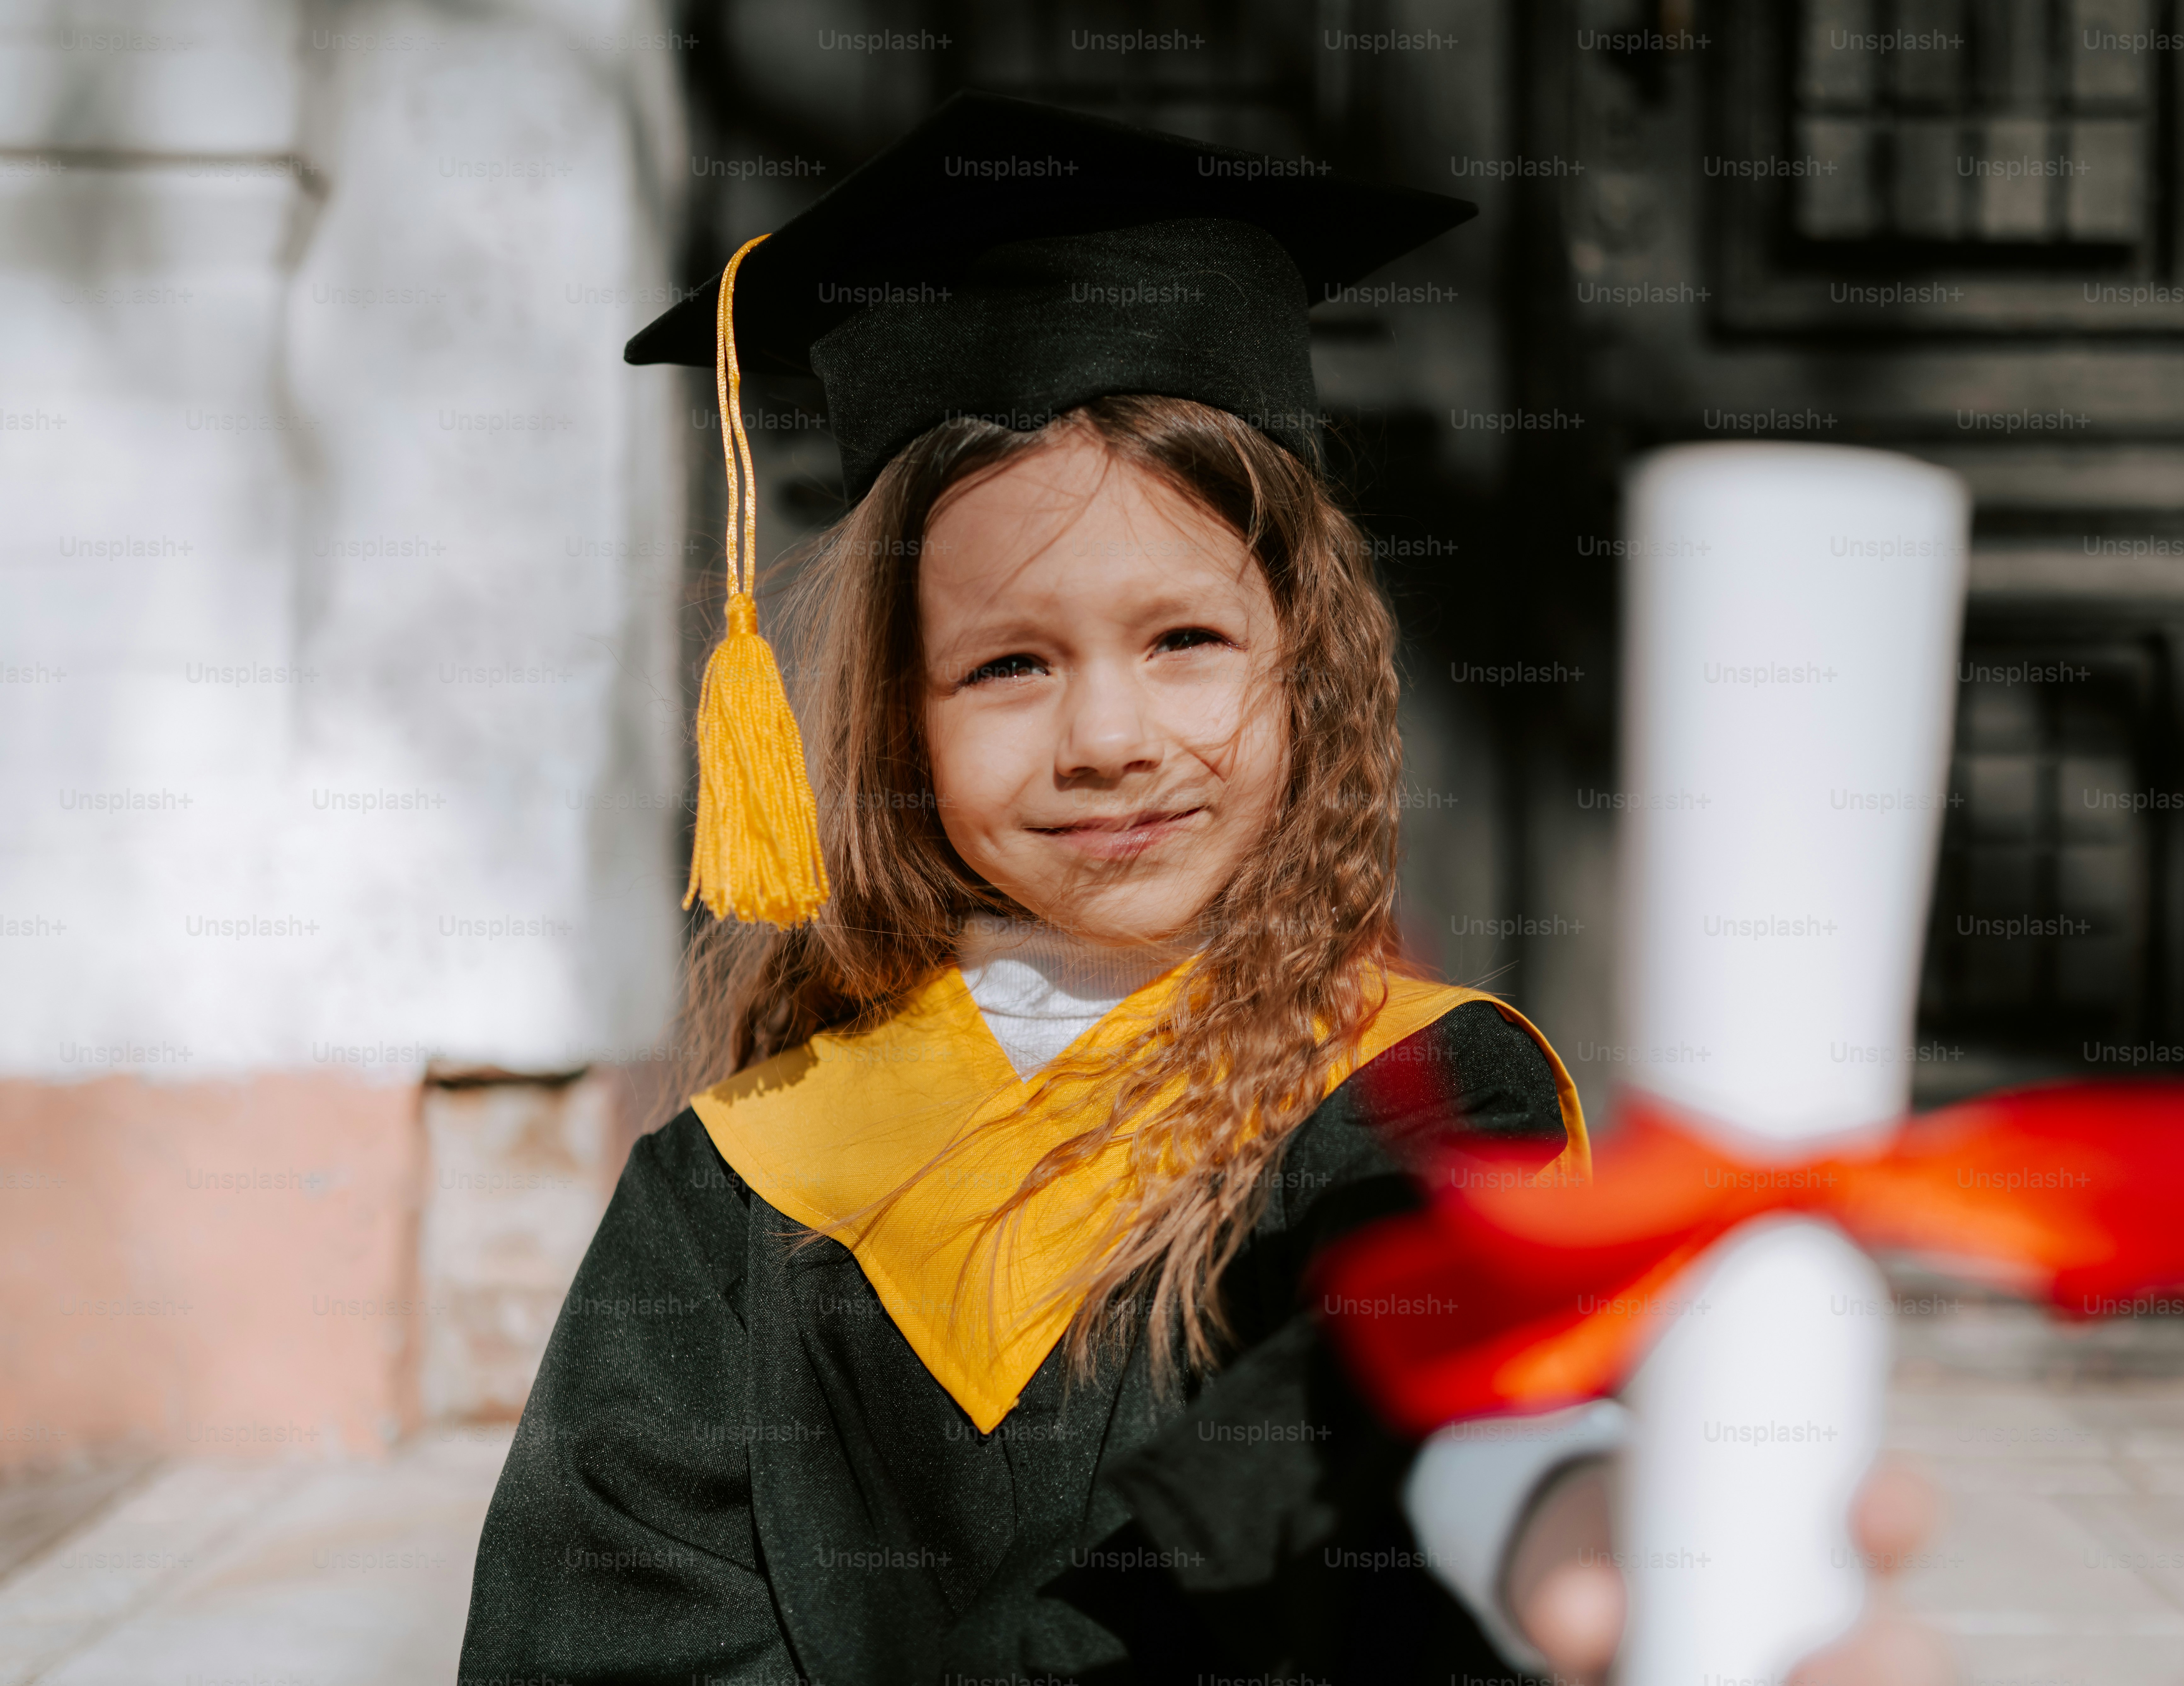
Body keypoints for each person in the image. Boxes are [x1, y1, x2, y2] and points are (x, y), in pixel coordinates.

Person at [457, 93, 1948, 1686]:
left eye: (1187, 643)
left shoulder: (1417, 1103)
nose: (1109, 740)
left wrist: (1551, 1509)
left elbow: (1395, 1466)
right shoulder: (738, 1183)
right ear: (894, 711)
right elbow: (597, 1627)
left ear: (1307, 664)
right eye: (1007, 666)